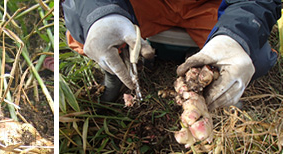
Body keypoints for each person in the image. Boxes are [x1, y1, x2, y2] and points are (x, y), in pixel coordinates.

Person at [62, 1, 281, 104]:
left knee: (256, 58)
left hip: (212, 5)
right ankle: (113, 71)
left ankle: (205, 64)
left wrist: (237, 35)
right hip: (143, 3)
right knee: (90, 33)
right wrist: (100, 14)